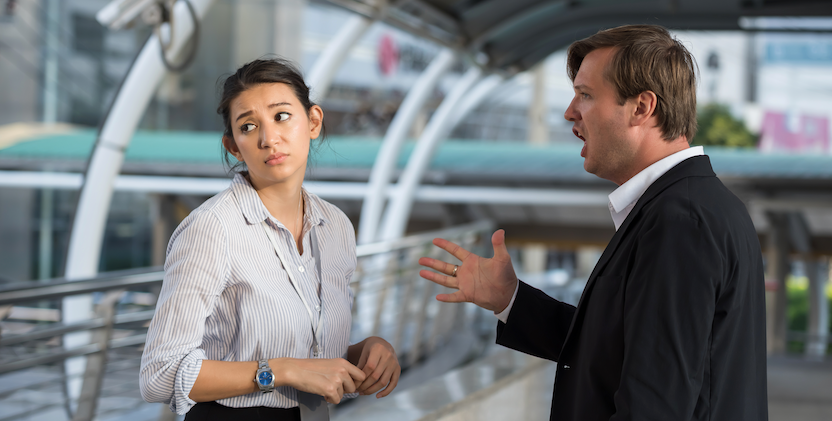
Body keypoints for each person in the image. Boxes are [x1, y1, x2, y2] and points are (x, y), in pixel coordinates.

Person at [419, 25, 767, 421]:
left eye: (585, 95)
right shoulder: (694, 206)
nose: (570, 112)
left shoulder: (679, 222)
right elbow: (618, 350)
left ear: (641, 107)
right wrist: (510, 299)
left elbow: (653, 405)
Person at [140, 58, 401, 421]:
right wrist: (281, 371)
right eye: (249, 127)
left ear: (312, 121)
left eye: (281, 116)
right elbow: (159, 374)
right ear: (234, 146)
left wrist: (365, 351)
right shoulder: (213, 228)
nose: (268, 139)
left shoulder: (336, 226)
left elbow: (310, 354)